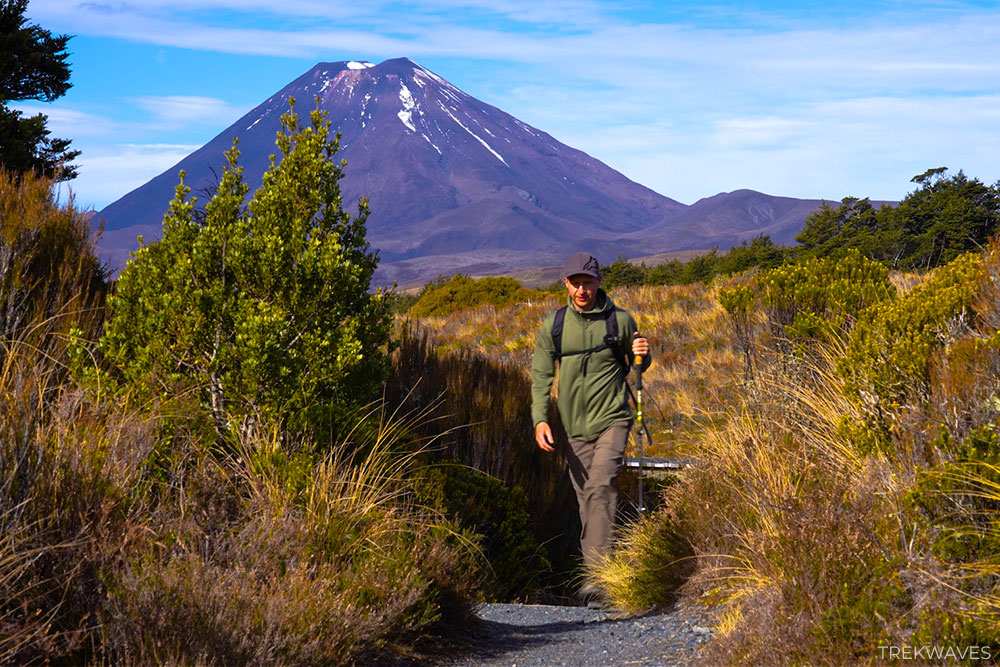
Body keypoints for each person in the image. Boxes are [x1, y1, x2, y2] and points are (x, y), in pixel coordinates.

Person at [530, 251, 651, 595]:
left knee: (600, 488)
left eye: (588, 281)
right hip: (571, 429)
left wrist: (644, 351)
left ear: (599, 282)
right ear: (566, 284)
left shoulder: (620, 321)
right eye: (576, 282)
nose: (582, 289)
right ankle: (604, 576)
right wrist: (540, 419)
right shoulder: (553, 326)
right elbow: (540, 377)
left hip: (613, 419)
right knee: (587, 502)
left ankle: (597, 583)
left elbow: (638, 363)